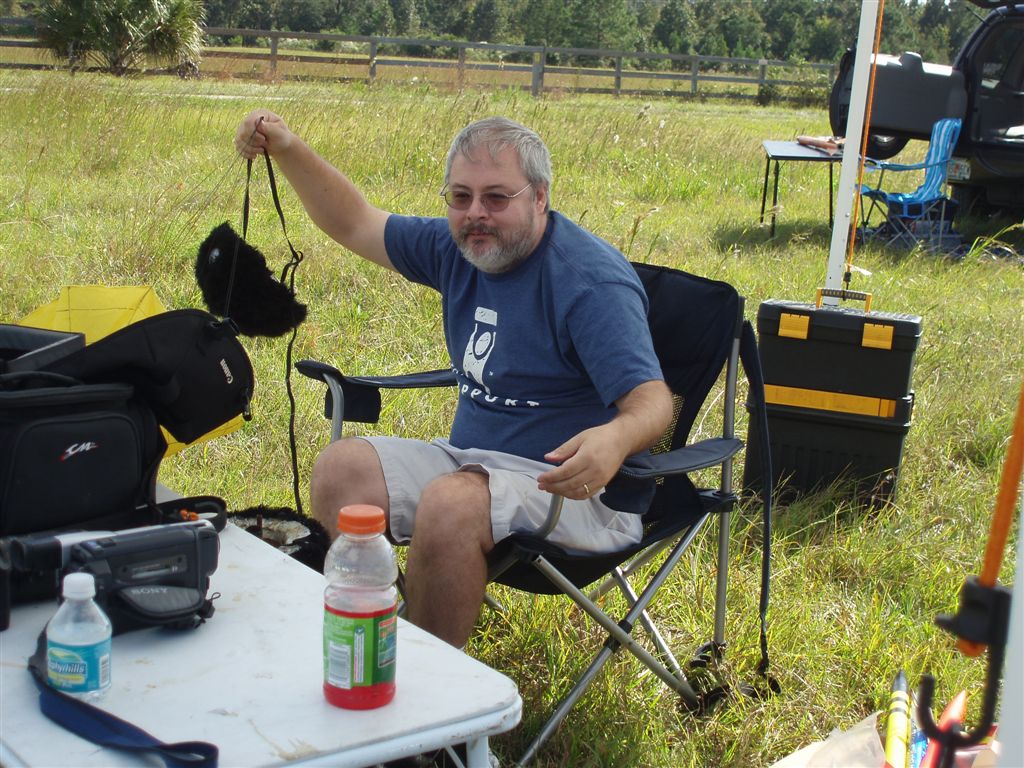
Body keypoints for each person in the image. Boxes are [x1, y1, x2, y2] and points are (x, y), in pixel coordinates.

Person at [235, 112, 673, 648]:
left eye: (496, 197)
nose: (475, 214)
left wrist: (615, 438)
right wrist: (286, 146)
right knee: (340, 468)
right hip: (470, 463)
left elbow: (653, 401)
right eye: (461, 197)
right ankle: (362, 643)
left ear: (539, 197)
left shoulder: (589, 283)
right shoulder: (459, 247)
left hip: (576, 493)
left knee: (450, 503)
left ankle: (427, 690)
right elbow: (354, 222)